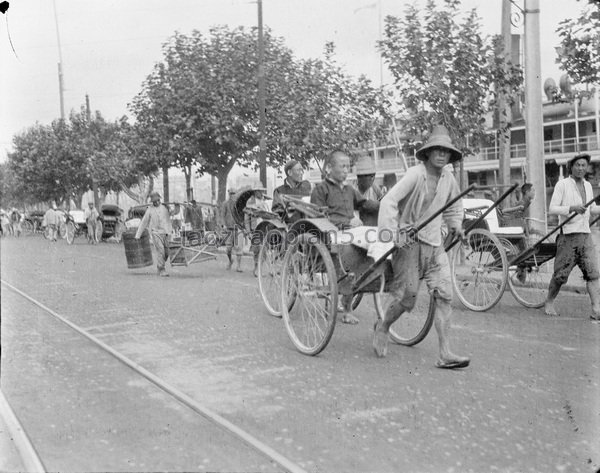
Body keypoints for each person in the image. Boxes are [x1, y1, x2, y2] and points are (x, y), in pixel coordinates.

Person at [372, 125, 470, 369]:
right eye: (436, 150)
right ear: (427, 153)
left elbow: (454, 206)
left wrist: (456, 225)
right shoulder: (415, 175)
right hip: (409, 242)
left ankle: (445, 353)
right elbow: (388, 202)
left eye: (445, 151)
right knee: (408, 299)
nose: (441, 154)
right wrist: (393, 235)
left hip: (435, 244)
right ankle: (383, 326)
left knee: (445, 297)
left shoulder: (449, 178)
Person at [311, 150, 380, 324]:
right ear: (329, 168)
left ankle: (375, 275)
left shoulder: (350, 190)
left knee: (376, 238)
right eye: (342, 166)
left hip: (352, 233)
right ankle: (347, 308)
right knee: (356, 248)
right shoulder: (320, 190)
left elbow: (365, 204)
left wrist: (387, 204)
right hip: (331, 235)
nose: (346, 170)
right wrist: (347, 223)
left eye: (348, 166)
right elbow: (318, 217)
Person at [544, 153, 600, 321]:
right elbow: (553, 208)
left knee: (593, 273)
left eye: (584, 165)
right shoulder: (562, 185)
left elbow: (592, 209)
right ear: (571, 166)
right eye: (578, 165)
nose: (581, 168)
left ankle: (596, 308)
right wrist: (572, 208)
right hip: (568, 236)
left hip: (585, 235)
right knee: (560, 275)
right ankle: (549, 301)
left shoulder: (588, 186)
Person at [135, 191, 173, 277]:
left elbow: (168, 221)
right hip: (156, 233)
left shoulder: (164, 209)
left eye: (158, 200)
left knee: (166, 252)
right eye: (154, 201)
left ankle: (160, 266)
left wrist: (170, 232)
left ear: (160, 200)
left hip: (165, 232)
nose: (156, 202)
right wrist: (138, 235)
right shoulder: (150, 210)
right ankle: (162, 269)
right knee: (161, 251)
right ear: (152, 202)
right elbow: (144, 222)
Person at [245, 188, 270, 277]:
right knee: (256, 250)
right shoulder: (250, 202)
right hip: (255, 229)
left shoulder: (265, 201)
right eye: (259, 191)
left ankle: (260, 268)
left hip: (265, 227)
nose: (261, 193)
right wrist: (248, 232)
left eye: (262, 191)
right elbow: (247, 219)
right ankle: (256, 268)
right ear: (255, 192)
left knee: (264, 250)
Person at [353, 155, 384, 225]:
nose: (373, 178)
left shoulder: (375, 188)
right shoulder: (352, 192)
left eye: (374, 175)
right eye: (371, 175)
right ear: (360, 177)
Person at [221, 188, 244, 272]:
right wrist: (223, 225)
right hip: (229, 229)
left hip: (238, 228)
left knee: (239, 248)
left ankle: (239, 266)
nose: (232, 195)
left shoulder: (239, 204)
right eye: (230, 193)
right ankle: (230, 261)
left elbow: (242, 215)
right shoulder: (225, 204)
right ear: (228, 194)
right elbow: (223, 215)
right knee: (228, 249)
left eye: (233, 193)